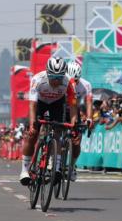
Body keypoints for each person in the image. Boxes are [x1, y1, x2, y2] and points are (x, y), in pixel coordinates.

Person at [19, 57, 78, 186]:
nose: (56, 81)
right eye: (53, 77)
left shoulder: (69, 82)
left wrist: (74, 124)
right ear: (47, 73)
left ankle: (56, 168)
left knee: (58, 131)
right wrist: (33, 124)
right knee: (32, 134)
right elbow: (32, 105)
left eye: (59, 78)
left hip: (57, 103)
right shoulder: (37, 80)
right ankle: (24, 170)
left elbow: (73, 105)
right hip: (40, 103)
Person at [65, 61, 93, 181]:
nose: (74, 83)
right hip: (59, 107)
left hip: (73, 109)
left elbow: (89, 102)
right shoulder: (62, 82)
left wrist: (89, 118)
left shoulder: (86, 85)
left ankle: (71, 167)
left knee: (76, 142)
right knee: (54, 130)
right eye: (72, 80)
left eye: (76, 80)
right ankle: (52, 160)